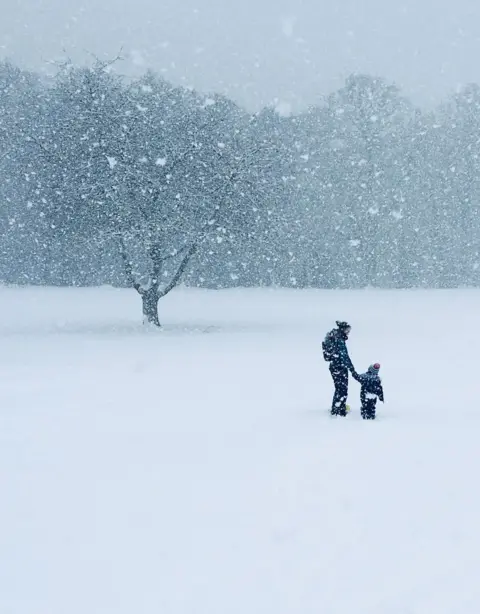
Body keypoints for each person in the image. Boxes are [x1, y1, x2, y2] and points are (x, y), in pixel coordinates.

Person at [322, 321, 357, 416]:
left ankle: (338, 406)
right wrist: (352, 370)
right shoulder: (339, 340)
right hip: (340, 367)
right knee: (342, 389)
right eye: (347, 330)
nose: (348, 332)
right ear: (342, 329)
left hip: (334, 366)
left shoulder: (333, 336)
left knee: (339, 388)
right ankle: (339, 410)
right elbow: (344, 356)